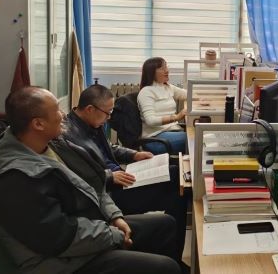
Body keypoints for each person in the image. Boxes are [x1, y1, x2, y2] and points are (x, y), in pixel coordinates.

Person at [0, 86, 181, 274]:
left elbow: (92, 182)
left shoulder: (50, 144)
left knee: (165, 225)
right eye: (56, 110)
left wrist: (114, 217)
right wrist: (114, 235)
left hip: (88, 227)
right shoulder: (15, 179)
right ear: (38, 124)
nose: (63, 115)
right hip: (62, 261)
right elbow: (59, 238)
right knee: (166, 267)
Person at [63, 84, 187, 261]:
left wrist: (133, 154)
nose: (109, 118)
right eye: (107, 113)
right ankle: (171, 255)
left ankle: (170, 251)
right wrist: (109, 176)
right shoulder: (69, 136)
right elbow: (78, 175)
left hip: (119, 177)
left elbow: (109, 148)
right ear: (90, 109)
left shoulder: (92, 122)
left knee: (176, 176)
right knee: (176, 189)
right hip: (109, 191)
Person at [137, 57, 188, 154]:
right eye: (162, 68)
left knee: (199, 136)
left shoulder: (167, 87)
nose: (167, 70)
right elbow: (150, 120)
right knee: (197, 138)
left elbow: (188, 94)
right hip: (156, 138)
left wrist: (203, 96)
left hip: (172, 132)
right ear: (152, 72)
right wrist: (177, 117)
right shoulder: (146, 92)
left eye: (166, 67)